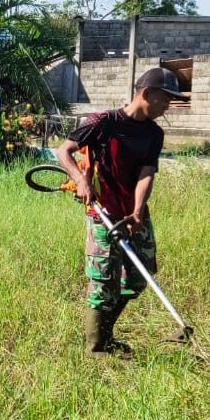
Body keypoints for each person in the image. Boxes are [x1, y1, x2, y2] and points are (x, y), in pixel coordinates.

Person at [53, 67, 184, 358]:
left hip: (132, 215)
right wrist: (80, 179)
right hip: (103, 211)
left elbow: (146, 174)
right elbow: (63, 151)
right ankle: (97, 347)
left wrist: (137, 212)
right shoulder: (103, 123)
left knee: (140, 275)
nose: (168, 106)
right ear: (146, 93)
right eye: (165, 99)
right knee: (103, 279)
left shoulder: (154, 134)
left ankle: (107, 332)